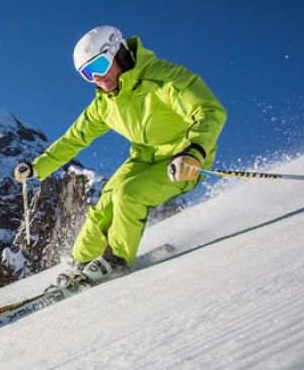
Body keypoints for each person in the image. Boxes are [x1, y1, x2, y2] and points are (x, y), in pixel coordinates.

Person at [14, 25, 226, 287]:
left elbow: (209, 110)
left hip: (185, 160)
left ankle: (115, 260)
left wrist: (195, 151)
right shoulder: (105, 104)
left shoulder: (162, 77)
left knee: (128, 195)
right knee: (105, 204)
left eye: (100, 65)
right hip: (143, 159)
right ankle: (79, 263)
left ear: (119, 53)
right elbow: (73, 139)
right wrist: (37, 167)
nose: (97, 77)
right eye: (88, 74)